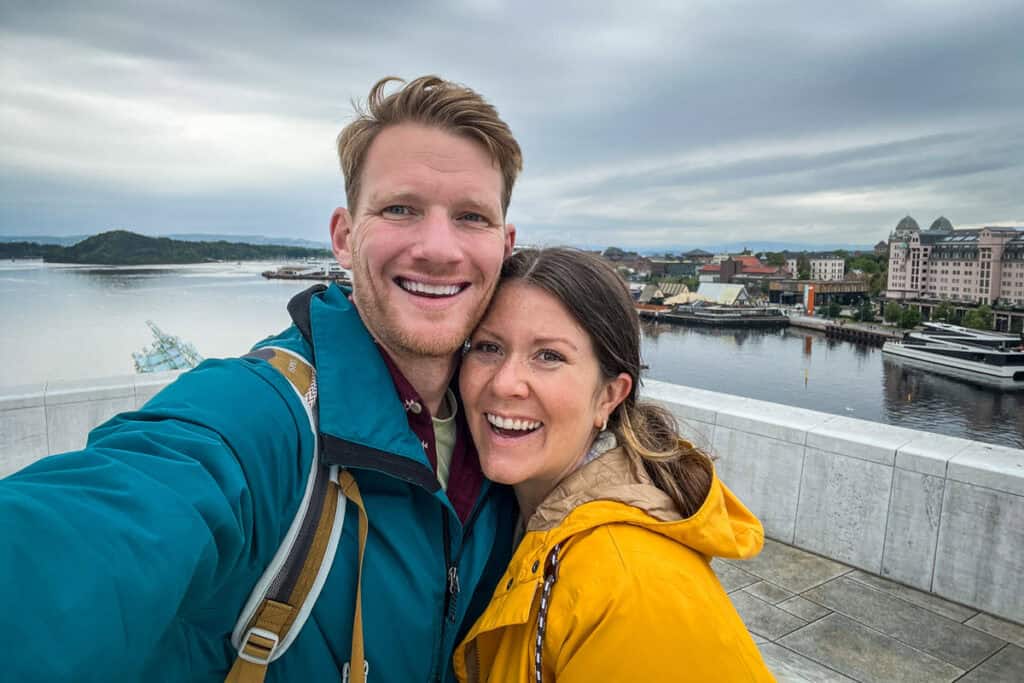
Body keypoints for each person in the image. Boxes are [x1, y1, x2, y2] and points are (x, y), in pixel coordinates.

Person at [0, 76, 521, 683]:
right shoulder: (262, 417)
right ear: (345, 238)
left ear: (505, 246)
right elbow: (95, 527)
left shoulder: (509, 431)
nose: (438, 248)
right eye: (400, 209)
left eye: (471, 216)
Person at [454, 248, 775, 682]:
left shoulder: (635, 586)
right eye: (489, 348)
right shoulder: (522, 521)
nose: (506, 382)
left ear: (609, 396)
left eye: (549, 355)